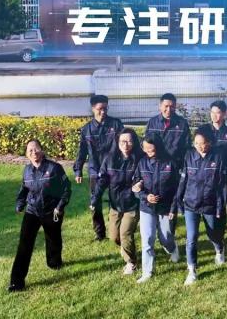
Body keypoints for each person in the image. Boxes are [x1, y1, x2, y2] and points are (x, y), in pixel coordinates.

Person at [9, 139, 71, 292]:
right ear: (27, 154)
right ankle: (16, 282)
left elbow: (66, 189)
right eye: (30, 150)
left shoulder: (54, 168)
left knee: (53, 238)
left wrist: (60, 207)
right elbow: (24, 189)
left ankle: (54, 262)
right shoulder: (27, 171)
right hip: (32, 211)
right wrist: (20, 203)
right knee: (24, 245)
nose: (34, 152)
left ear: (42, 150)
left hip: (52, 211)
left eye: (36, 149)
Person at [175, 130, 227, 285]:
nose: (199, 146)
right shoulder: (189, 156)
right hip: (191, 204)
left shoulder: (218, 157)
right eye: (196, 143)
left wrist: (220, 206)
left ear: (209, 142)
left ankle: (219, 249)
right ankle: (192, 270)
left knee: (213, 234)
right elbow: (183, 180)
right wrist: (178, 200)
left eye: (202, 143)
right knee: (191, 238)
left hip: (210, 204)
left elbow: (221, 186)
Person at [90, 130, 142, 276]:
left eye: (129, 141)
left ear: (134, 142)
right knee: (114, 237)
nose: (126, 145)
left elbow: (144, 176)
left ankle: (131, 263)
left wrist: (140, 183)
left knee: (125, 233)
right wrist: (95, 198)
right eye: (122, 141)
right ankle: (126, 248)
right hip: (115, 204)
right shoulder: (109, 159)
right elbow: (102, 180)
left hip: (132, 204)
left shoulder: (140, 159)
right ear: (117, 143)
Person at [73, 94, 124, 241]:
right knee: (95, 202)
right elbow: (82, 151)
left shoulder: (116, 124)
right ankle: (100, 233)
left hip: (113, 169)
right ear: (93, 108)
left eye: (105, 108)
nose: (103, 112)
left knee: (116, 200)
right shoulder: (86, 129)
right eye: (100, 109)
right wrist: (78, 170)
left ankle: (118, 229)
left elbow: (125, 144)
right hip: (95, 171)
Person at [134, 135, 181, 283]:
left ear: (158, 146)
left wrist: (173, 208)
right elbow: (135, 186)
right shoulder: (142, 163)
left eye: (151, 148)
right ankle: (147, 272)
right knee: (147, 240)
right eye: (145, 148)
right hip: (146, 207)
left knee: (165, 238)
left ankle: (172, 248)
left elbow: (178, 188)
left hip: (165, 208)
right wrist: (145, 196)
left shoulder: (170, 163)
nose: (148, 151)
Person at [196, 100, 227, 210]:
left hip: (222, 172)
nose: (214, 115)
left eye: (218, 112)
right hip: (205, 171)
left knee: (221, 200)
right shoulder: (203, 130)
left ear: (224, 114)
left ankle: (220, 217)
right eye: (212, 112)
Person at [144, 93, 192, 168]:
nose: (169, 109)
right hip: (156, 163)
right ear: (160, 106)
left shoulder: (182, 123)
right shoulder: (152, 122)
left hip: (176, 164)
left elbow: (187, 145)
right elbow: (147, 143)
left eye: (172, 106)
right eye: (166, 106)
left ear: (175, 106)